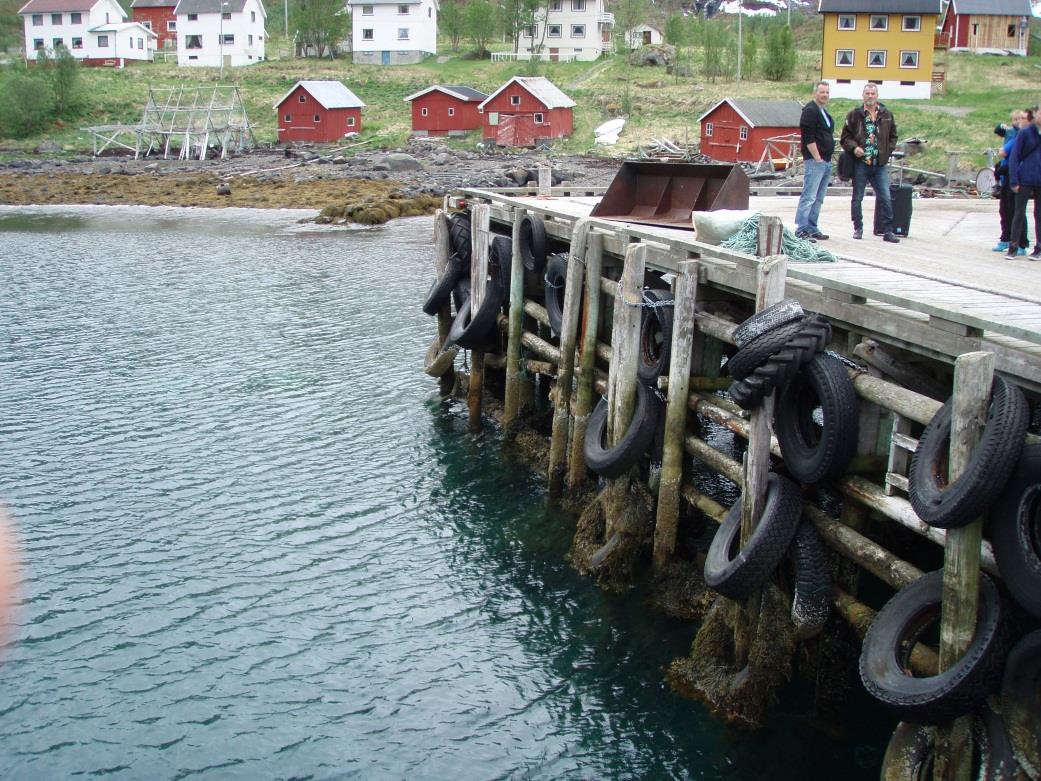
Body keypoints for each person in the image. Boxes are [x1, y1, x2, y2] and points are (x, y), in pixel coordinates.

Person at [840, 83, 900, 243]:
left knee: (885, 197)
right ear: (863, 95)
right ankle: (858, 228)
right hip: (861, 163)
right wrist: (854, 148)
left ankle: (888, 230)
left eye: (873, 93)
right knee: (857, 197)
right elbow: (844, 138)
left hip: (879, 164)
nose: (870, 96)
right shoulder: (854, 114)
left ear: (877, 95)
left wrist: (888, 151)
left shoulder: (887, 114)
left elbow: (894, 136)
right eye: (867, 93)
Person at [794, 81, 835, 241]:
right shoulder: (810, 110)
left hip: (826, 159)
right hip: (815, 160)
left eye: (827, 92)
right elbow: (808, 136)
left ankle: (812, 226)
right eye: (822, 92)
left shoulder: (823, 111)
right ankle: (802, 228)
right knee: (809, 195)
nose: (825, 95)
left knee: (818, 197)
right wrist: (817, 157)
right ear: (815, 93)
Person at [1008, 106, 1041, 260]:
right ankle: (1013, 246)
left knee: (1039, 214)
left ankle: (1039, 247)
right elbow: (1015, 156)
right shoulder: (1026, 133)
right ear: (1036, 115)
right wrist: (1014, 179)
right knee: (1019, 212)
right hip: (1025, 178)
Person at [994, 110, 1029, 254]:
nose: (1017, 122)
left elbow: (1005, 152)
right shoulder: (1010, 132)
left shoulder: (1021, 136)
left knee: (1017, 211)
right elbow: (998, 130)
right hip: (1005, 176)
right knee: (1005, 210)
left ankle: (1021, 243)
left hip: (1015, 175)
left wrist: (1003, 150)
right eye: (1015, 119)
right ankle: (1006, 238)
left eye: (1020, 119)